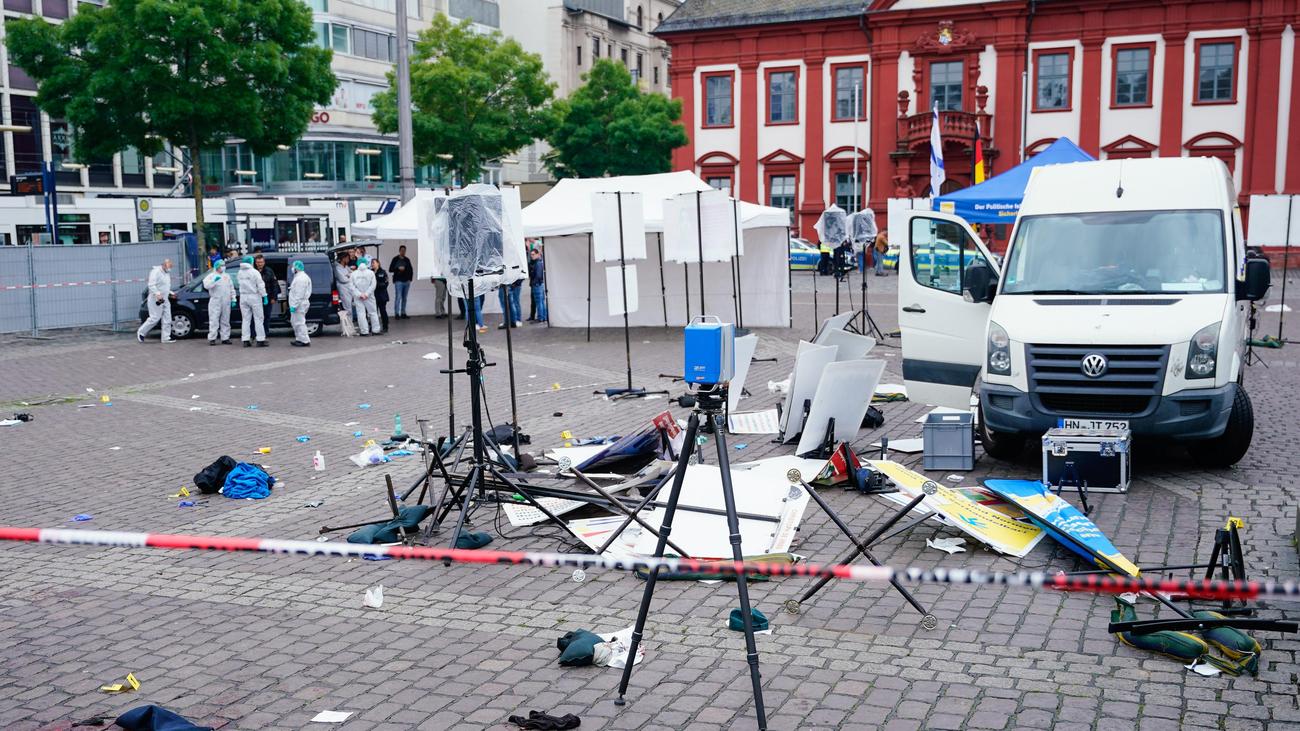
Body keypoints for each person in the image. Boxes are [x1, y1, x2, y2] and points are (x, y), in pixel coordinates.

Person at [137, 258, 175, 343]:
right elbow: (151, 285)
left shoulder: (166, 273)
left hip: (164, 298)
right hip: (155, 298)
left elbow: (164, 286)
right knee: (154, 318)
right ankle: (141, 332)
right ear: (164, 265)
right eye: (169, 267)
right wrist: (157, 294)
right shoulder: (155, 272)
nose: (170, 269)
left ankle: (166, 337)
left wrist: (170, 293)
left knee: (167, 318)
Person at [236, 255, 268, 347]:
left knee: (246, 319)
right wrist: (264, 296)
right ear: (251, 262)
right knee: (258, 319)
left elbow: (239, 284)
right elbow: (260, 285)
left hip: (243, 297)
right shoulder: (255, 272)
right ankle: (260, 340)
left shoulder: (239, 272)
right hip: (254, 297)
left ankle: (245, 340)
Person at [203, 259, 235, 345]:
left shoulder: (227, 276)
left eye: (224, 265)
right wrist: (214, 281)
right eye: (221, 266)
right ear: (217, 267)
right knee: (214, 320)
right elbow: (206, 286)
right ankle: (212, 338)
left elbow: (231, 288)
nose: (223, 267)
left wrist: (233, 298)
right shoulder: (211, 276)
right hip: (215, 300)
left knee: (225, 320)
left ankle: (225, 338)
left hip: (226, 300)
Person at [351, 256, 381, 335]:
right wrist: (367, 294)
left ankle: (364, 331)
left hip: (358, 297)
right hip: (369, 296)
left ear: (357, 263)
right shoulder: (371, 273)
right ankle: (376, 330)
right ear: (366, 263)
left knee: (361, 314)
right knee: (373, 313)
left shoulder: (353, 274)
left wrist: (359, 294)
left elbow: (351, 286)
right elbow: (373, 285)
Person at [287, 260, 312, 347]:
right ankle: (299, 339)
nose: (292, 269)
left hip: (299, 304)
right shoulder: (299, 277)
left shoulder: (301, 278)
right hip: (299, 304)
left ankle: (304, 340)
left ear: (297, 268)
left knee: (299, 323)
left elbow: (299, 294)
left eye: (293, 267)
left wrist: (294, 306)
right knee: (295, 322)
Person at [254, 254, 280, 332]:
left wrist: (274, 297)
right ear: (255, 263)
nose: (260, 264)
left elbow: (274, 285)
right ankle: (256, 333)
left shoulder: (269, 271)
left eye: (261, 262)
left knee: (266, 316)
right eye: (258, 262)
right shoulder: (253, 271)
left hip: (268, 297)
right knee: (256, 316)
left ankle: (265, 332)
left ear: (264, 262)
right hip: (256, 298)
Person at [389, 245, 413, 319]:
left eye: (404, 250)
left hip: (406, 281)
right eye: (402, 250)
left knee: (404, 298)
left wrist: (410, 279)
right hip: (398, 281)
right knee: (398, 297)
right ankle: (396, 313)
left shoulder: (407, 260)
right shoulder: (395, 259)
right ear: (399, 251)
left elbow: (411, 269)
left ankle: (403, 313)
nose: (403, 252)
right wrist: (398, 268)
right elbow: (390, 269)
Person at [333, 253, 356, 327]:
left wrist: (349, 276)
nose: (348, 260)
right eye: (347, 258)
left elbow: (353, 275)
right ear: (343, 259)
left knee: (350, 307)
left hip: (349, 288)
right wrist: (349, 276)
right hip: (343, 289)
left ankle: (350, 324)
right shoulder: (337, 267)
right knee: (347, 308)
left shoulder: (346, 267)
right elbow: (342, 279)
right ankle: (349, 326)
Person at [528, 246, 547, 323]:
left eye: (533, 254)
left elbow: (538, 275)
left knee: (539, 302)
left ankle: (540, 318)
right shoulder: (538, 262)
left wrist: (534, 283)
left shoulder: (538, 263)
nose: (532, 256)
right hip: (538, 284)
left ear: (537, 254)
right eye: (531, 254)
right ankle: (543, 317)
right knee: (541, 302)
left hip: (537, 285)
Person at [372, 257, 390, 332]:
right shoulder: (370, 272)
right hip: (373, 295)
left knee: (383, 311)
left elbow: (385, 283)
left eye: (374, 263)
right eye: (371, 263)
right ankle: (375, 327)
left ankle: (385, 326)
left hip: (382, 295)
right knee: (374, 312)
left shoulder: (382, 272)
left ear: (378, 263)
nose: (372, 264)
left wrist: (375, 284)